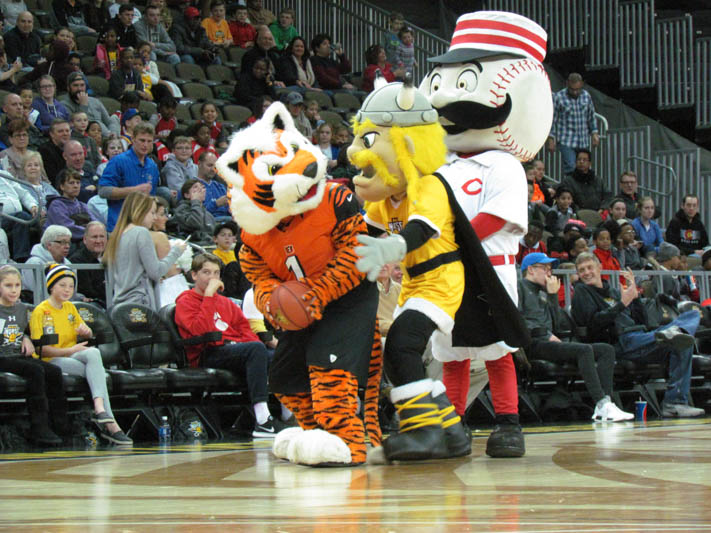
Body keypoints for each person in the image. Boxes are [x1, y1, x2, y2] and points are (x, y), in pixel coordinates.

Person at [572, 252, 705, 418]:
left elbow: (642, 321)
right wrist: (622, 303)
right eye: (582, 270)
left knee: (687, 329)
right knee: (678, 337)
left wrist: (634, 297)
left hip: (640, 337)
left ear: (600, 267)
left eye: (589, 267)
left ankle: (674, 403)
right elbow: (593, 325)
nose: (586, 272)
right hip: (620, 342)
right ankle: (673, 333)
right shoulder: (581, 292)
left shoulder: (613, 291)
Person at [175, 253, 284, 436]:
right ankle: (263, 419)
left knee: (279, 356)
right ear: (194, 275)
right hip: (207, 353)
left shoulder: (226, 303)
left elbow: (246, 331)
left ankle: (288, 415)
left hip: (234, 350)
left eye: (216, 273)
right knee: (256, 349)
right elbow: (199, 331)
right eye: (206, 272)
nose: (212, 278)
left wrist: (244, 345)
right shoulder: (185, 301)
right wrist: (209, 296)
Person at [518, 253, 633, 421]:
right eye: (545, 269)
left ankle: (606, 403)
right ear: (531, 270)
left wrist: (552, 296)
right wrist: (544, 333)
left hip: (550, 343)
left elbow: (558, 325)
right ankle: (601, 403)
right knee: (584, 350)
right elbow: (518, 320)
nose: (549, 274)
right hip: (533, 343)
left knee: (605, 350)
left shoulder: (544, 293)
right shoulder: (519, 287)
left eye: (550, 269)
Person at [30, 264, 132, 444]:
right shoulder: (41, 311)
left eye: (71, 286)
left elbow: (84, 334)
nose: (67, 290)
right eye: (62, 285)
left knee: (93, 353)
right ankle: (111, 424)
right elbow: (41, 350)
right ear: (51, 286)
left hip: (71, 355)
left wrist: (87, 333)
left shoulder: (70, 308)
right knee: (97, 371)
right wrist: (71, 350)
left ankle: (100, 410)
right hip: (51, 360)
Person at [0, 264, 68, 445]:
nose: (14, 290)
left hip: (17, 355)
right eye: (8, 285)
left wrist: (26, 337)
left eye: (17, 285)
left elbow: (24, 331)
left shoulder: (22, 309)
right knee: (35, 371)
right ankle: (39, 426)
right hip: (3, 357)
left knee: (54, 371)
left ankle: (61, 424)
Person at [103, 191, 185, 309]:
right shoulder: (141, 232)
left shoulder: (118, 235)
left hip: (119, 304)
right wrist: (176, 251)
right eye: (152, 213)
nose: (155, 217)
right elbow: (156, 272)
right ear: (140, 211)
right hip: (140, 303)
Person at [98, 122, 161, 232]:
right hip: (119, 226)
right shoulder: (118, 161)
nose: (145, 145)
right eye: (142, 140)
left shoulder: (152, 166)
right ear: (133, 139)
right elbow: (103, 191)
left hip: (142, 227)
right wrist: (134, 190)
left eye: (149, 141)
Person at [546, 73, 600, 176]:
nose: (575, 92)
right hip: (566, 140)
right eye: (572, 89)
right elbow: (553, 119)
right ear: (567, 84)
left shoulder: (586, 96)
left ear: (582, 85)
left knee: (584, 167)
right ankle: (571, 189)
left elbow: (591, 116)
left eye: (577, 89)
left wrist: (594, 133)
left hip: (583, 140)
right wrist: (551, 138)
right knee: (571, 166)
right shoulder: (559, 97)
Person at [61, 72, 119, 137]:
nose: (79, 89)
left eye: (82, 85)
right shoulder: (64, 105)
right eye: (75, 85)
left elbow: (109, 121)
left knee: (114, 118)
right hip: (88, 138)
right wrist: (83, 105)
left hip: (107, 137)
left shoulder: (95, 101)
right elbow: (78, 126)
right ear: (68, 88)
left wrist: (113, 133)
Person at [45, 169, 95, 241]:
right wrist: (91, 233)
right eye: (71, 183)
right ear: (62, 186)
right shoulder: (56, 205)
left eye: (78, 183)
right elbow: (67, 228)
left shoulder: (82, 205)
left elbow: (95, 223)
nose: (76, 186)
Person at [22, 225, 73, 296]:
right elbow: (34, 293)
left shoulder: (68, 264)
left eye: (68, 243)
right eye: (63, 242)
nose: (67, 246)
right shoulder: (35, 263)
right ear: (49, 245)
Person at [0, 171, 37, 263]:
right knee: (21, 217)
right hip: (2, 217)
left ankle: (43, 257)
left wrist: (33, 206)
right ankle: (22, 259)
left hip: (17, 216)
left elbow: (24, 194)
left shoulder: (5, 175)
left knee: (45, 220)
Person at [68, 221, 107, 307]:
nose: (98, 241)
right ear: (85, 239)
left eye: (102, 236)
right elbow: (87, 291)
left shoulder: (111, 258)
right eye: (94, 237)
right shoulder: (76, 261)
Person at [196, 151, 231, 221]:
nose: (213, 169)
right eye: (209, 165)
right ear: (199, 164)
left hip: (228, 222)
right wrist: (216, 203)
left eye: (215, 166)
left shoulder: (220, 186)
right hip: (207, 223)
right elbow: (196, 215)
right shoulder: (192, 186)